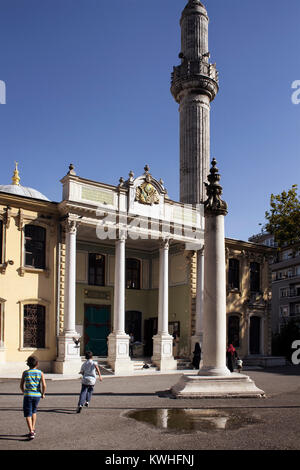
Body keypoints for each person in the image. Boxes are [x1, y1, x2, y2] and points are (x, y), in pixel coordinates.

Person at [20, 355, 46, 439]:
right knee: (34, 411)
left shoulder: (25, 373)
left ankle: (31, 431)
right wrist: (43, 393)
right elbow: (44, 385)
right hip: (37, 395)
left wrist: (24, 392)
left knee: (28, 413)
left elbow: (21, 385)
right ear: (37, 364)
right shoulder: (40, 372)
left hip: (28, 395)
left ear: (28, 364)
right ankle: (33, 428)